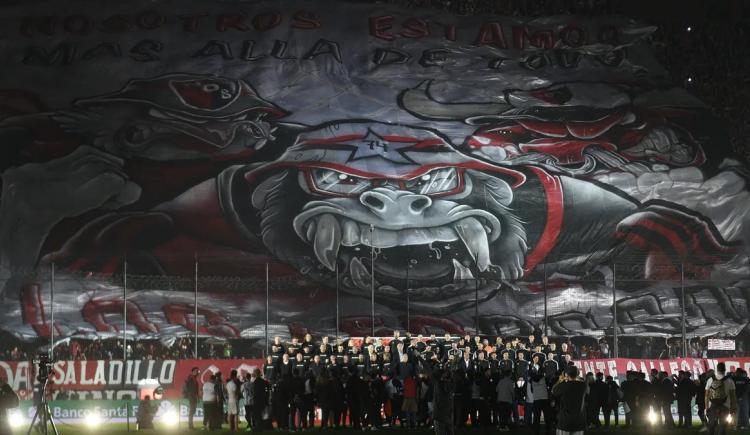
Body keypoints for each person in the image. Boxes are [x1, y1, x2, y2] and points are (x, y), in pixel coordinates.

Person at [552, 365, 588, 435]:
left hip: (565, 421)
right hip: (579, 421)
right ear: (577, 374)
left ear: (567, 374)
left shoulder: (564, 385)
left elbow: (553, 391)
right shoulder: (583, 385)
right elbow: (579, 381)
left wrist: (560, 380)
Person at [705, 362, 737, 435]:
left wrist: (706, 407)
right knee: (723, 426)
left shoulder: (710, 379)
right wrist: (733, 407)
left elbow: (706, 395)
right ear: (725, 369)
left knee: (711, 426)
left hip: (712, 405)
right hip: (725, 406)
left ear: (717, 369)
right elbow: (733, 396)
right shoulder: (730, 381)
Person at [432, 368, 455, 435]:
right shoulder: (451, 385)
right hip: (448, 415)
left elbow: (428, 369)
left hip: (439, 416)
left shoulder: (438, 385)